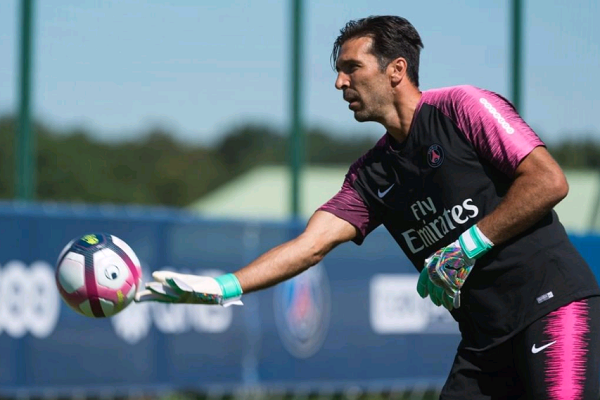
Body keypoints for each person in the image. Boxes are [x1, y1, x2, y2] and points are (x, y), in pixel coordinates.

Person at [136, 15, 600, 399]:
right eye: (339, 71)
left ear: (396, 69)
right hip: (484, 340)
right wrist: (220, 287)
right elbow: (310, 245)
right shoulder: (371, 174)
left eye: (351, 67)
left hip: (554, 307)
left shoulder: (462, 107)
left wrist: (469, 244)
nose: (340, 82)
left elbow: (548, 181)